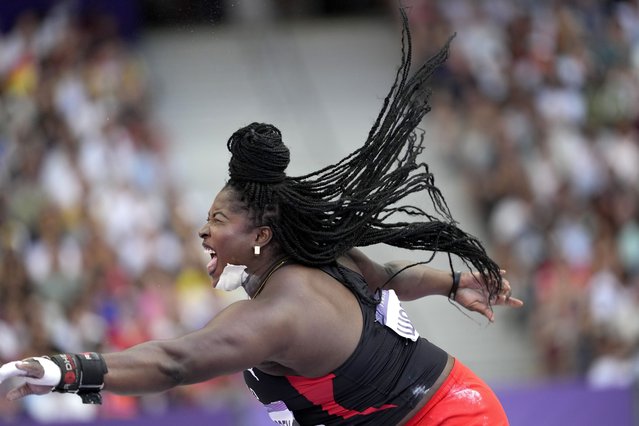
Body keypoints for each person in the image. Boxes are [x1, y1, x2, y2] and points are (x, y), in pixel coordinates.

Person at [0, 9, 522, 425]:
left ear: (262, 235)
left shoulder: (279, 314)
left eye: (219, 219)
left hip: (448, 416)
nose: (203, 230)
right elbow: (385, 279)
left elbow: (176, 362)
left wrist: (64, 369)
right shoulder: (318, 258)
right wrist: (450, 282)